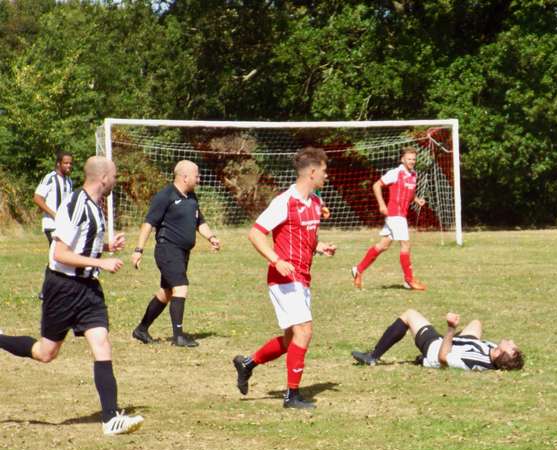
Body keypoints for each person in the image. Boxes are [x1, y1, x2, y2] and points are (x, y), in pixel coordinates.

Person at [0, 156, 144, 436]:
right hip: (63, 288)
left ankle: (110, 418)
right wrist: (100, 263)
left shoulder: (95, 206)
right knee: (46, 353)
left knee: (102, 343)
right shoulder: (75, 204)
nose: (116, 180)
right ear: (103, 178)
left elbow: (82, 243)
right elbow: (60, 253)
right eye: (114, 175)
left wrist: (105, 246)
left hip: (88, 289)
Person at [232, 147, 336, 409]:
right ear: (312, 172)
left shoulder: (314, 202)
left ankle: (248, 363)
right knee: (305, 331)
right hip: (284, 279)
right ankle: (292, 396)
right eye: (324, 171)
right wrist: (276, 260)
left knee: (292, 339)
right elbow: (256, 234)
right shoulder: (283, 202)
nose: (327, 175)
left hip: (302, 277)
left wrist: (319, 247)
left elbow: (303, 237)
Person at [130, 160, 221, 347]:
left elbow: (199, 222)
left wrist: (211, 237)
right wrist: (138, 249)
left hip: (182, 252)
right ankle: (178, 336)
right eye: (197, 175)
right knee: (181, 287)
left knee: (166, 292)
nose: (199, 178)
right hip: (167, 249)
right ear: (185, 177)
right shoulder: (165, 196)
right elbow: (149, 223)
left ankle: (141, 329)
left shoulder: (191, 197)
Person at [351, 146, 427, 290]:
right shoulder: (395, 173)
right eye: (409, 159)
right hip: (395, 214)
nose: (412, 161)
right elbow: (376, 185)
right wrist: (381, 205)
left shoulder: (413, 174)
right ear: (402, 159)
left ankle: (358, 269)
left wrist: (416, 199)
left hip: (401, 214)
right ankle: (409, 280)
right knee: (406, 244)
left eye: (413, 159)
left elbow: (409, 193)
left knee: (383, 245)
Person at [351, 309, 524, 371]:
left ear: (502, 353)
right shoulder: (492, 352)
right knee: (476, 323)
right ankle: (454, 339)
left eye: (512, 347)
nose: (512, 342)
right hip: (463, 345)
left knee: (409, 314)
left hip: (435, 348)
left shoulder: (472, 360)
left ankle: (373, 356)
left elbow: (443, 357)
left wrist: (450, 329)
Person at [33, 150, 74, 245]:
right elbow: (37, 198)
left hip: (64, 224)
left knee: (61, 256)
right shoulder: (50, 178)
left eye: (70, 163)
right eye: (66, 163)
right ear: (58, 164)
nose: (69, 165)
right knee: (57, 254)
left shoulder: (69, 181)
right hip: (51, 223)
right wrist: (54, 215)